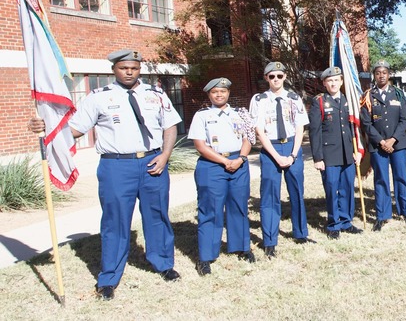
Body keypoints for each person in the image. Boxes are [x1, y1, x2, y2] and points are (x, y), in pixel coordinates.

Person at [29, 50, 181, 300]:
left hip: (154, 162)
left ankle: (163, 263)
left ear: (139, 68)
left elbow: (170, 126)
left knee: (157, 216)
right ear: (114, 69)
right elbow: (75, 129)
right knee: (115, 222)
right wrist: (46, 127)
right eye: (123, 68)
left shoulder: (156, 94)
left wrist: (165, 155)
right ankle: (109, 277)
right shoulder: (99, 97)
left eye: (133, 67)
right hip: (117, 167)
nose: (129, 72)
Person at [189, 77, 255, 276]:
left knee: (238, 207)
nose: (219, 95)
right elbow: (200, 145)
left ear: (228, 93)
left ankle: (241, 247)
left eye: (223, 91)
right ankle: (207, 256)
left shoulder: (240, 114)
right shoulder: (201, 116)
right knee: (211, 210)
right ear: (209, 95)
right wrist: (225, 162)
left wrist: (241, 158)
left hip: (239, 163)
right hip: (213, 166)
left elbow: (248, 139)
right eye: (215, 92)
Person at [250, 61, 311, 258]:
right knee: (270, 196)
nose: (276, 79)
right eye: (271, 76)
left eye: (279, 76)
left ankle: (301, 233)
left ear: (285, 77)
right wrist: (276, 156)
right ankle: (270, 241)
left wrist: (293, 154)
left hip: (292, 146)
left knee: (297, 193)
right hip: (271, 148)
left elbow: (300, 127)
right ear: (266, 78)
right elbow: (259, 131)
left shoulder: (294, 98)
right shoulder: (258, 100)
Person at [309, 67, 364, 239]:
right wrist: (318, 157)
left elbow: (355, 129)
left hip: (348, 153)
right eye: (329, 80)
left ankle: (346, 221)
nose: (333, 83)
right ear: (324, 83)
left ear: (341, 82)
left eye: (336, 80)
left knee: (347, 188)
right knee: (332, 189)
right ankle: (334, 224)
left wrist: (359, 151)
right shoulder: (319, 102)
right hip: (329, 155)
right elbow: (315, 132)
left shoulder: (349, 101)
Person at [360, 60, 406, 230]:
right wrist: (382, 141)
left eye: (384, 72)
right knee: (381, 180)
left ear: (389, 75)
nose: (381, 75)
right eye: (378, 73)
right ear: (374, 75)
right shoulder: (368, 96)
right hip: (378, 146)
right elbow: (366, 123)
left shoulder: (398, 94)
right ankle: (382, 215)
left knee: (401, 178)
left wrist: (392, 140)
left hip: (397, 144)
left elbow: (404, 119)